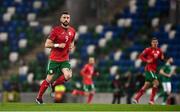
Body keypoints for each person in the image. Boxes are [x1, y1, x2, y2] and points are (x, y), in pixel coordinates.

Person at [36, 11, 76, 104]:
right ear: (60, 19)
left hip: (65, 59)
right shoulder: (55, 30)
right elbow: (47, 44)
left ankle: (54, 84)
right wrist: (57, 45)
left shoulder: (72, 31)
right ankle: (39, 98)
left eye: (68, 18)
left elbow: (73, 40)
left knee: (68, 75)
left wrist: (71, 45)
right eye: (64, 17)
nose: (66, 19)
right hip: (54, 59)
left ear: (69, 19)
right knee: (48, 79)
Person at [132, 38, 164, 104]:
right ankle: (151, 100)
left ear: (157, 43)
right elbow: (141, 56)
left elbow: (161, 58)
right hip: (149, 69)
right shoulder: (148, 49)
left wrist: (162, 58)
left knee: (146, 85)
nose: (155, 43)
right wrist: (147, 60)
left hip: (154, 70)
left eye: (156, 42)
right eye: (153, 42)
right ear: (151, 43)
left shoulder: (159, 51)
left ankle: (136, 98)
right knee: (156, 83)